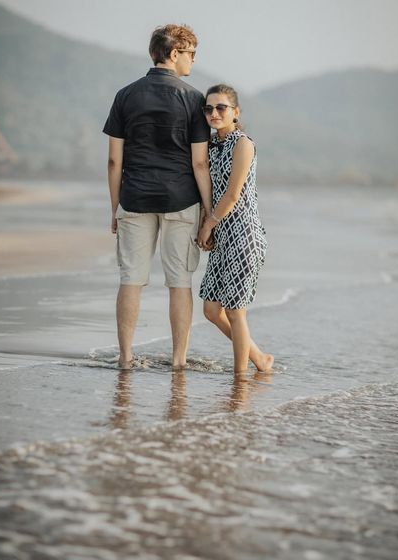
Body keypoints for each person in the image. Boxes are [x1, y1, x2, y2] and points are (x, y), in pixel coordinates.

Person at [103, 24, 212, 371]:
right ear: (174, 53)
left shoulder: (125, 95)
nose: (194, 60)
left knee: (131, 279)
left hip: (135, 197)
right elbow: (199, 161)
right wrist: (209, 212)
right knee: (179, 282)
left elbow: (114, 160)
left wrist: (114, 206)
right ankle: (179, 361)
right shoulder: (194, 99)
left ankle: (126, 357)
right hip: (181, 198)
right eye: (191, 53)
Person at [198, 84, 274, 374]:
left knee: (234, 311)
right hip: (222, 237)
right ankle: (260, 359)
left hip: (244, 235)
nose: (214, 113)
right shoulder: (209, 145)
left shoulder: (243, 144)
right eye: (208, 108)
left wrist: (208, 225)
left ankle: (240, 379)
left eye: (221, 108)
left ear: (235, 112)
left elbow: (232, 194)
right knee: (210, 310)